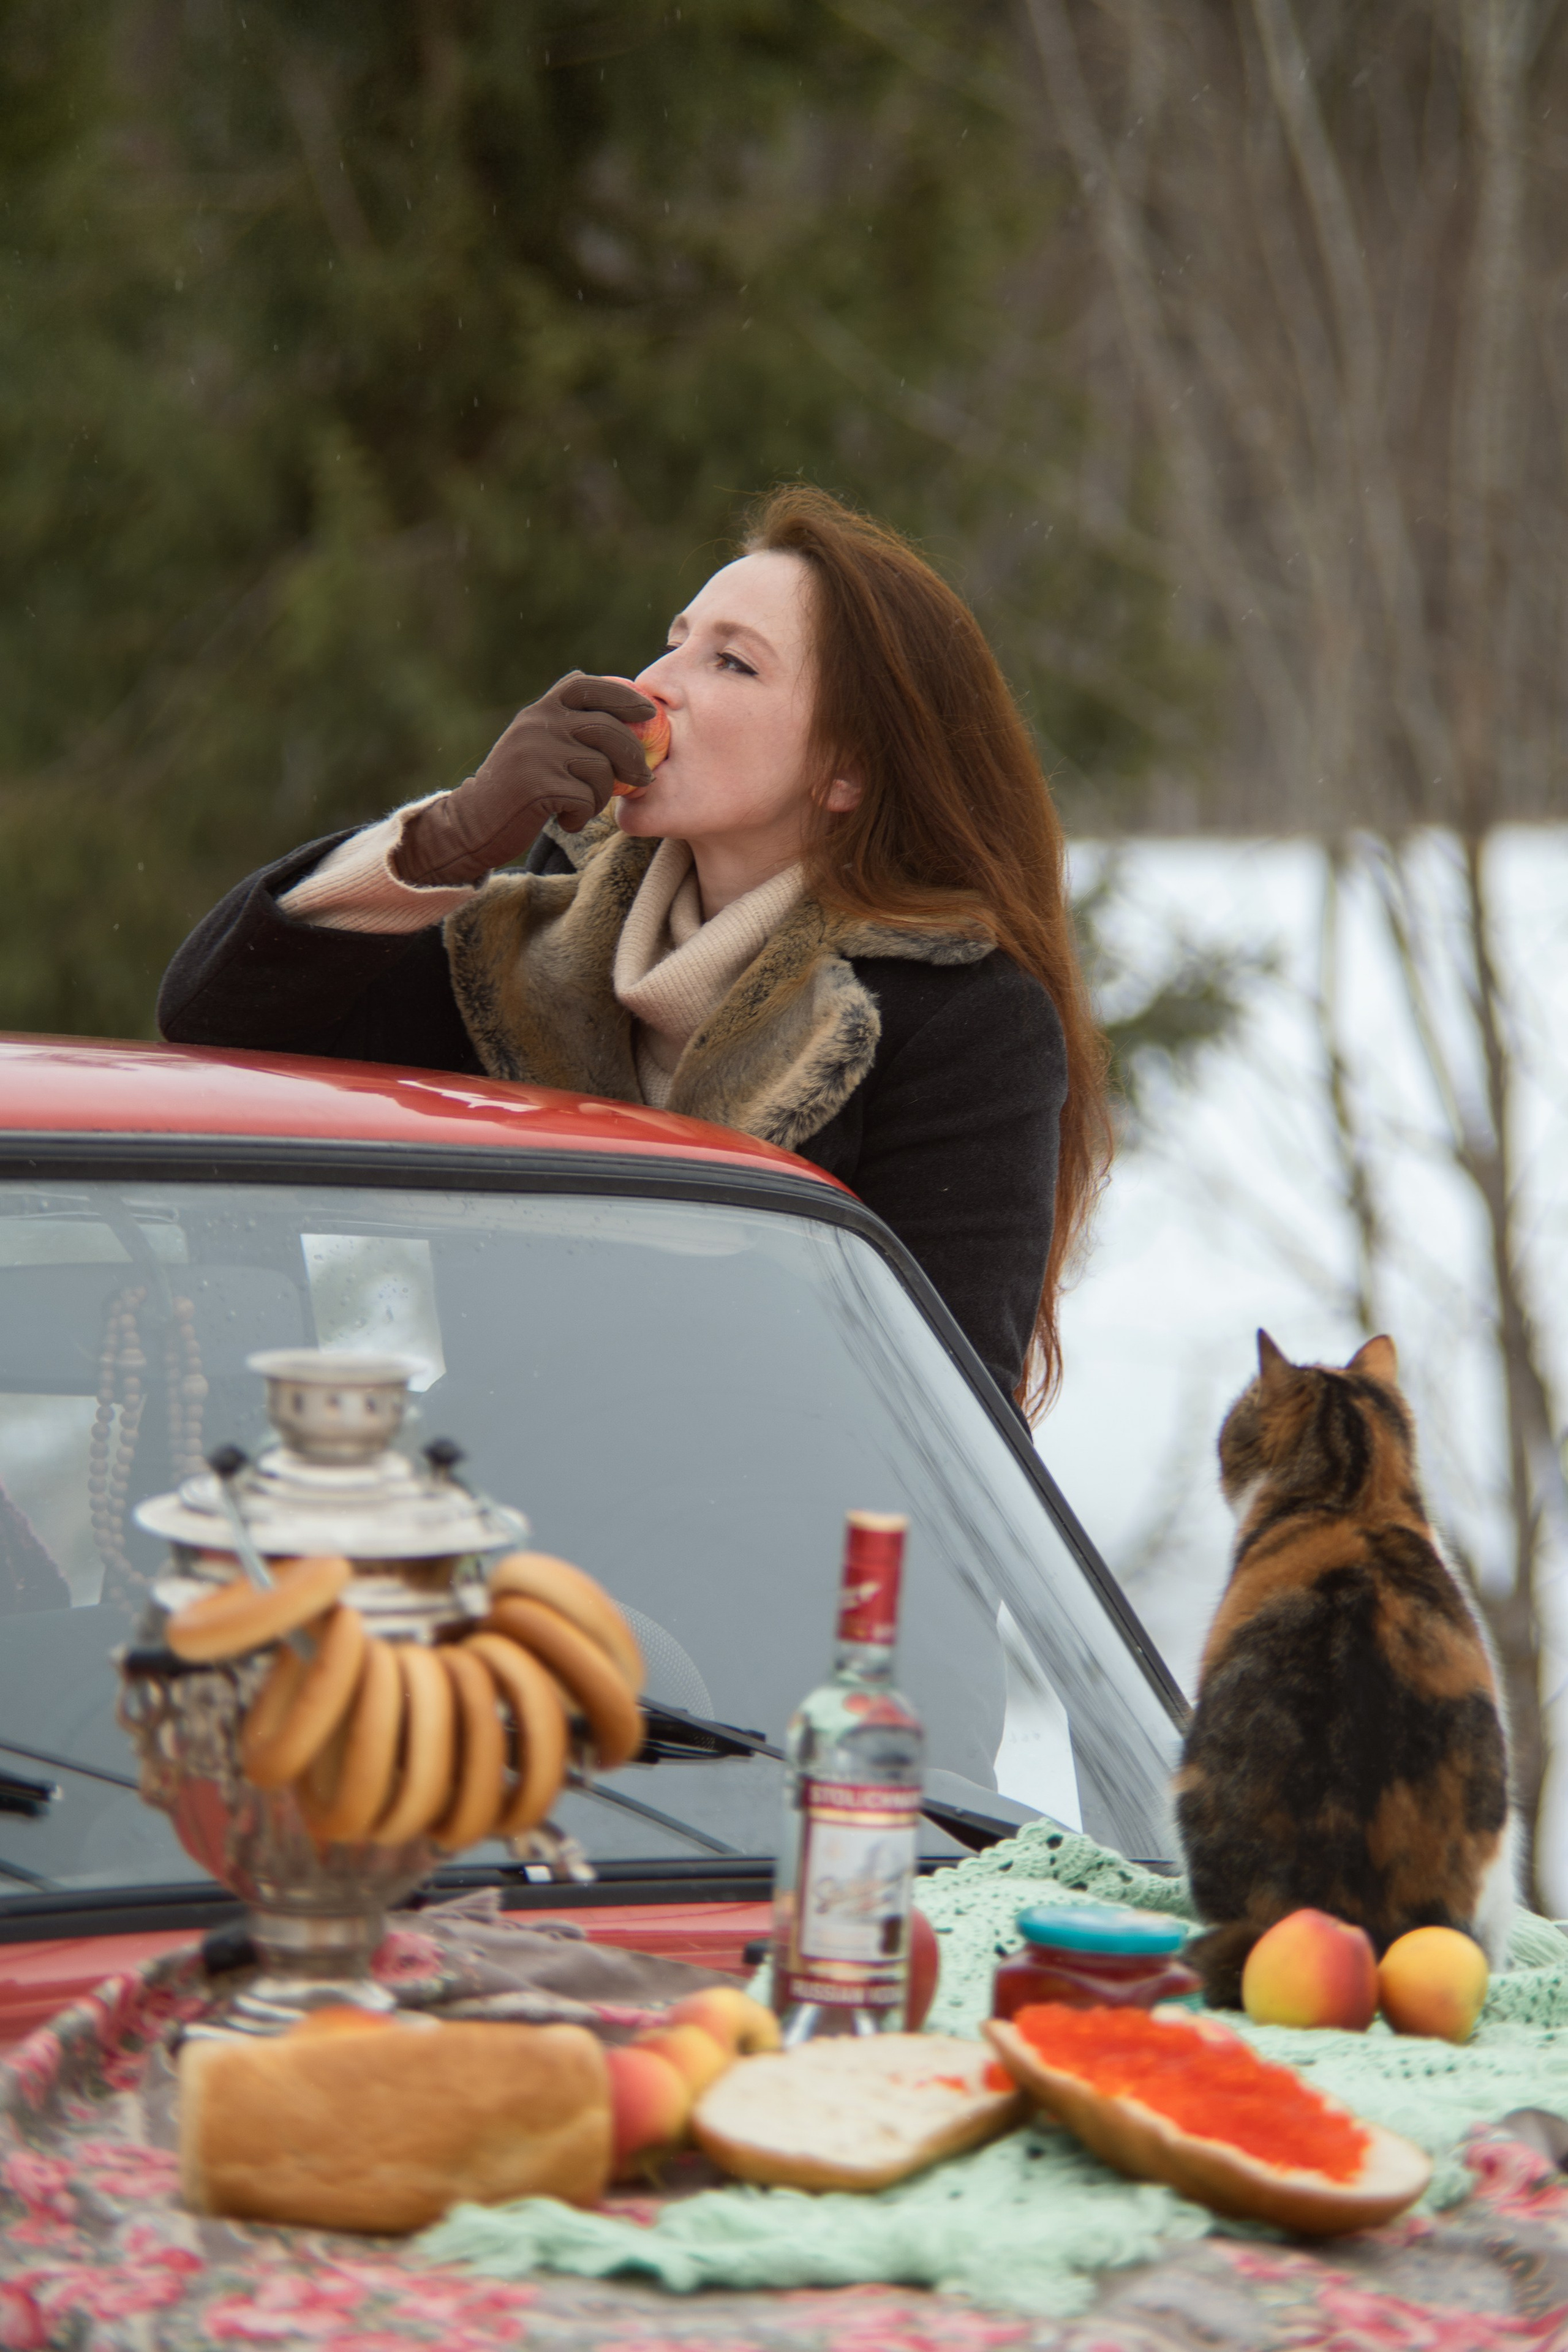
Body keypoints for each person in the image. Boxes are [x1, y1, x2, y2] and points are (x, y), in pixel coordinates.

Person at [159, 489, 1109, 1415]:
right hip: (501, 1530)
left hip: (752, 1551)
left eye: (732, 664)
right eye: (674, 640)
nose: (653, 685)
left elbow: (941, 1411)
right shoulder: (541, 939)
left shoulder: (958, 1013)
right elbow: (217, 1017)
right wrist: (448, 838)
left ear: (846, 769)